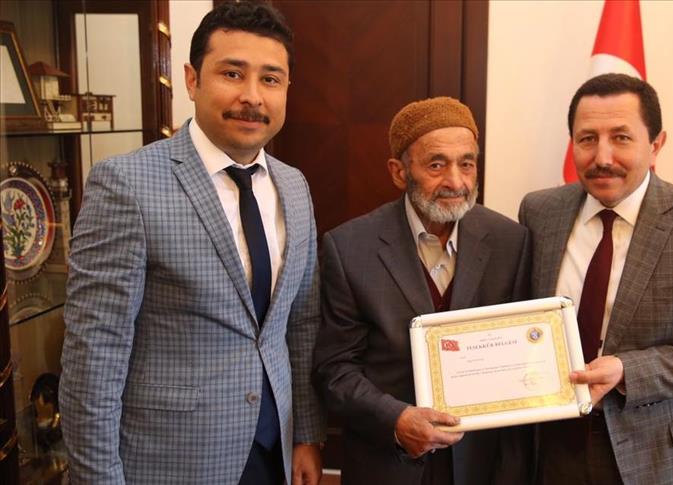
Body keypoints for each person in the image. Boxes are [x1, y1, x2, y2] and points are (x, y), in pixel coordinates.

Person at [59, 2, 325, 484]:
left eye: (270, 79)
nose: (252, 96)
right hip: (173, 461)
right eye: (232, 73)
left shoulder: (294, 186)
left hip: (274, 453)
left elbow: (300, 324)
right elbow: (93, 356)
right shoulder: (127, 184)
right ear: (191, 79)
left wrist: (305, 434)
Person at [519, 73, 673, 484]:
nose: (602, 157)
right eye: (587, 139)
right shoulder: (539, 212)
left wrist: (627, 370)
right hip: (552, 451)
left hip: (661, 458)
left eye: (621, 138)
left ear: (656, 144)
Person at [313, 97, 532, 485]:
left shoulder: (511, 242)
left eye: (467, 164)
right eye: (436, 165)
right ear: (399, 172)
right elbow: (335, 369)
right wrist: (396, 420)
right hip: (388, 464)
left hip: (482, 466)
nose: (456, 182)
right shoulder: (349, 248)